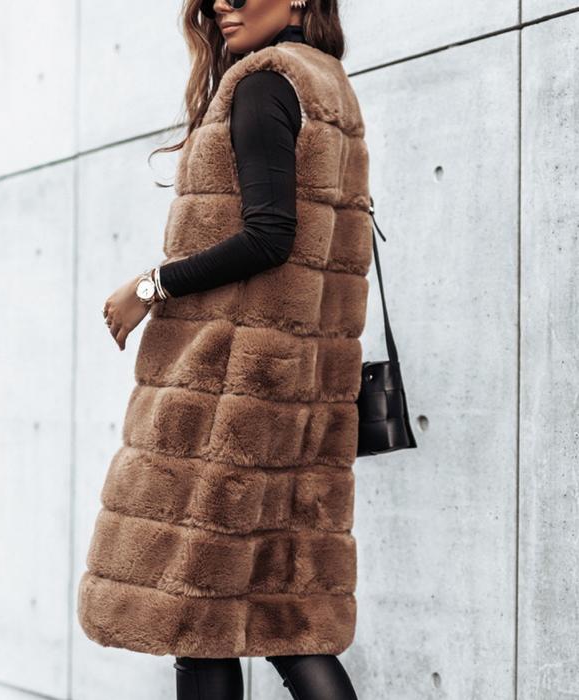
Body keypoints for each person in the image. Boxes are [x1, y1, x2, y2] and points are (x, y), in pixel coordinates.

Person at [78, 1, 372, 698]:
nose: (221, 4)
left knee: (198, 618)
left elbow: (269, 237)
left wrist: (149, 287)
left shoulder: (264, 82)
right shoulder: (326, 85)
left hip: (227, 397)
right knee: (286, 620)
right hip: (293, 395)